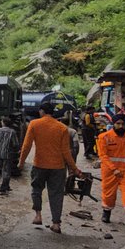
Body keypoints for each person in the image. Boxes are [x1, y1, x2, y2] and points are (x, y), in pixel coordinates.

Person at [18, 94, 81, 234]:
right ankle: (56, 223)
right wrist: (74, 169)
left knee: (36, 189)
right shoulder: (62, 128)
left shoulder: (34, 124)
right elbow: (66, 152)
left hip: (39, 164)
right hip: (58, 168)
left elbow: (26, 145)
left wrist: (21, 162)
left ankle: (38, 215)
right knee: (56, 194)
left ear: (41, 111)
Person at [97, 113, 125, 223]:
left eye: (123, 124)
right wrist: (114, 169)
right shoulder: (104, 137)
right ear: (113, 124)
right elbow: (103, 156)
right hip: (110, 171)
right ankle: (106, 212)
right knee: (109, 194)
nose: (121, 126)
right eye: (118, 124)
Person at [0, 117, 18, 195]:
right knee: (6, 171)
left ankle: (6, 186)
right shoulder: (12, 132)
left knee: (2, 170)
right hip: (8, 154)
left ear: (3, 123)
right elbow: (15, 144)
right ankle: (2, 188)